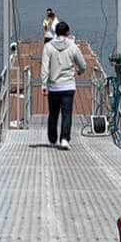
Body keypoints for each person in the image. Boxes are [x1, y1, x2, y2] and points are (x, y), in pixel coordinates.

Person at [41, 21, 86, 149]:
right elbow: (82, 64)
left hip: (54, 86)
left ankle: (52, 138)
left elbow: (45, 68)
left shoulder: (48, 47)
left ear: (56, 32)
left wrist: (44, 85)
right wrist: (80, 71)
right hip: (68, 86)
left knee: (53, 113)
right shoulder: (73, 46)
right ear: (67, 33)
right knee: (67, 114)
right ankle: (65, 139)